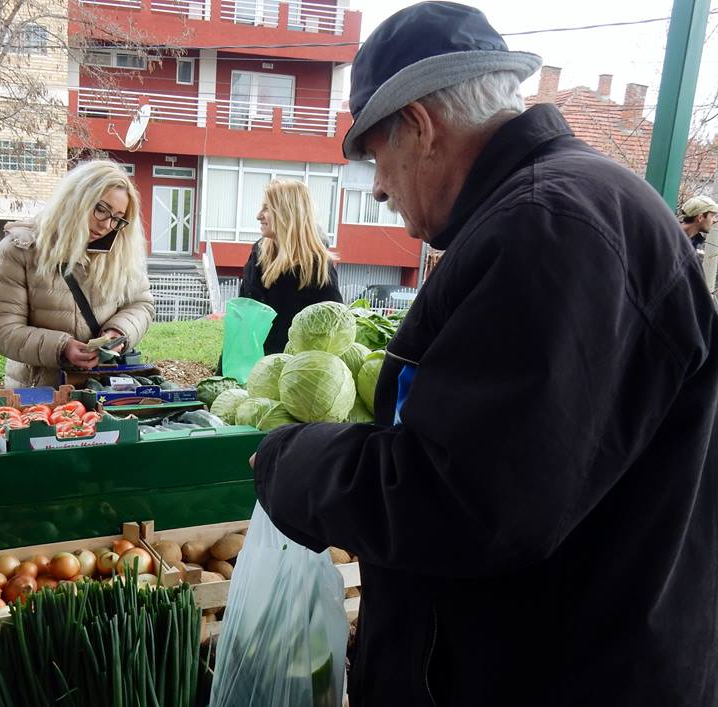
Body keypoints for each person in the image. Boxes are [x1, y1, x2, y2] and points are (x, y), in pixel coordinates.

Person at [252, 3, 718, 706]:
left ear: (420, 127)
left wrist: (297, 462)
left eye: (377, 156)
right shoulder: (558, 209)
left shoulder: (550, 227)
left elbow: (469, 498)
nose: (377, 186)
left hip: (568, 673)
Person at [0, 160, 155, 388]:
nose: (106, 225)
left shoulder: (120, 251)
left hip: (102, 387)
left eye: (117, 218)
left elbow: (141, 304)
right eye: (101, 209)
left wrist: (117, 332)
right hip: (40, 396)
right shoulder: (20, 249)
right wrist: (61, 347)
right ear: (76, 199)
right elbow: (0, 328)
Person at [239, 179, 342, 355]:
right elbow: (242, 319)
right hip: (251, 366)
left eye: (266, 208)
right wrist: (225, 372)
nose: (259, 215)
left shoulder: (317, 267)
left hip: (293, 372)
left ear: (287, 213)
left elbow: (334, 330)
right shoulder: (259, 253)